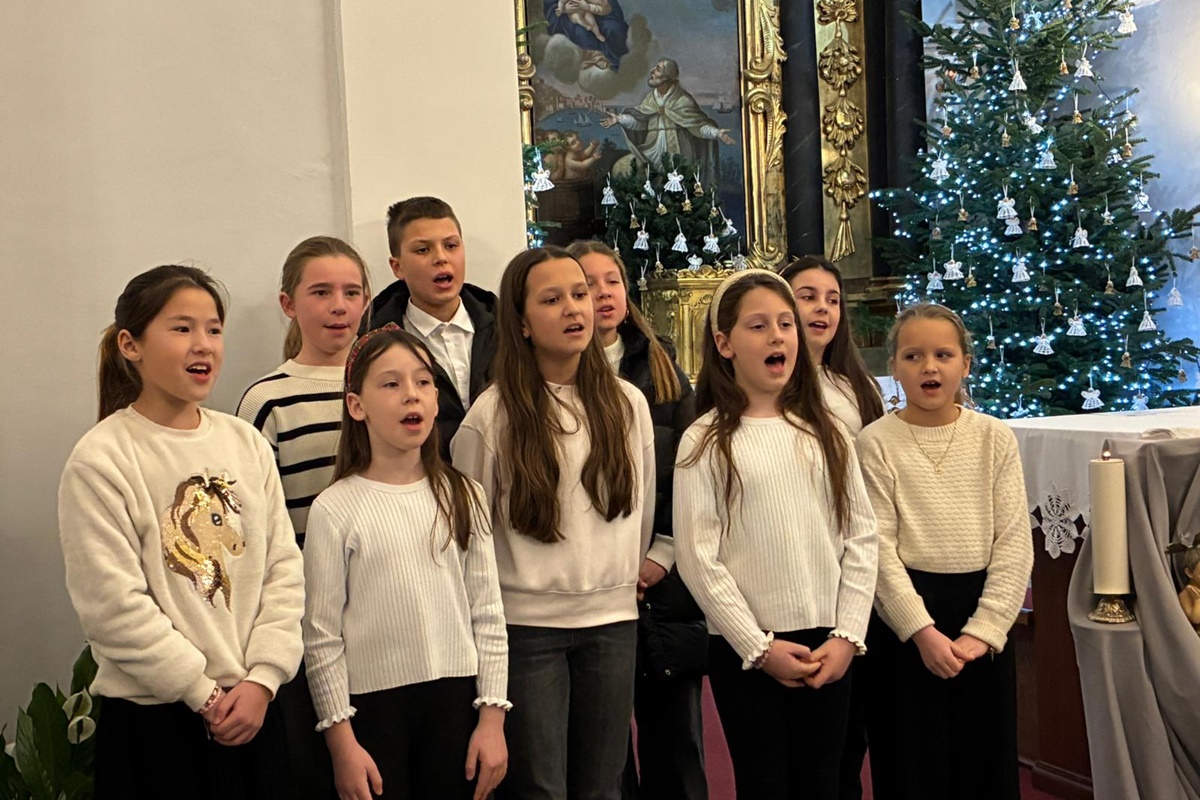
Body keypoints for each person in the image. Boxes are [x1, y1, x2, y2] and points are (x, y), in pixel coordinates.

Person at [58, 265, 305, 799]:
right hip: (158, 725)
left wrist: (263, 679)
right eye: (182, 328)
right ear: (131, 344)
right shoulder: (103, 458)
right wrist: (204, 694)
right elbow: (114, 609)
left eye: (214, 329)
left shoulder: (245, 443)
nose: (204, 345)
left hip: (256, 710)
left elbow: (282, 570)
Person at [452, 246, 656, 800]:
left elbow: (640, 512)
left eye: (579, 294)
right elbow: (470, 535)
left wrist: (617, 582)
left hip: (612, 623)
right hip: (527, 630)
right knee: (540, 787)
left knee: (603, 784)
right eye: (551, 299)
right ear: (521, 322)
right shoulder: (492, 415)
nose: (573, 309)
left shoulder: (627, 404)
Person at [674, 269, 878, 800]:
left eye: (786, 324)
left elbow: (861, 536)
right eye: (758, 326)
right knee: (765, 783)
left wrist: (847, 635)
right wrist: (758, 648)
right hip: (747, 647)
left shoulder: (827, 432)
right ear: (724, 344)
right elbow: (698, 558)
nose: (777, 337)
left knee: (823, 782)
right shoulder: (705, 440)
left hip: (828, 641)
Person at [303, 325, 509, 800]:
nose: (411, 395)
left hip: (457, 702)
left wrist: (492, 718)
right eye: (391, 384)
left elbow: (488, 614)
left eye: (423, 381)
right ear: (357, 406)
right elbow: (321, 635)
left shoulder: (464, 495)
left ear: (436, 399)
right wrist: (341, 742)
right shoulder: (334, 509)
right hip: (372, 712)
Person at [856, 303, 1033, 800]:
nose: (928, 367)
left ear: (965, 364)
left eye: (943, 355)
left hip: (980, 618)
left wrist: (985, 630)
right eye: (913, 356)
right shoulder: (875, 443)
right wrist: (921, 631)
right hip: (906, 623)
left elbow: (1014, 541)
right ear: (894, 367)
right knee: (913, 765)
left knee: (985, 766)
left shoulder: (994, 438)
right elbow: (877, 549)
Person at [569, 240, 707, 800]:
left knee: (676, 739)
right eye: (587, 284)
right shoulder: (555, 374)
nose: (603, 294)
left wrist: (663, 551)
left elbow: (689, 466)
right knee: (604, 746)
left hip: (662, 578)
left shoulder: (662, 366)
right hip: (594, 579)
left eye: (613, 281)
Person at [236, 235, 372, 799]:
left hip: (381, 616)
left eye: (351, 292)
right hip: (306, 622)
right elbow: (255, 532)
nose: (338, 306)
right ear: (289, 304)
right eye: (321, 292)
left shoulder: (391, 384)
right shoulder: (266, 401)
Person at [779, 255, 883, 800]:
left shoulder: (854, 387)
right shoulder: (770, 388)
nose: (822, 308)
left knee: (850, 737)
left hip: (858, 570)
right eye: (807, 296)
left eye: (833, 299)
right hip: (802, 568)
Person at [369, 196, 497, 460]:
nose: (441, 258)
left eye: (451, 246)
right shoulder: (379, 342)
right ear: (397, 267)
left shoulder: (504, 325)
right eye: (423, 250)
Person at [601, 59, 735, 185]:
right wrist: (620, 119)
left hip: (677, 155)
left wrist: (716, 133)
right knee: (624, 169)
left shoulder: (683, 101)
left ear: (667, 77)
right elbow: (640, 122)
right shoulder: (651, 99)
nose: (652, 71)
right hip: (651, 151)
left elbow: (697, 127)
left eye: (658, 69)